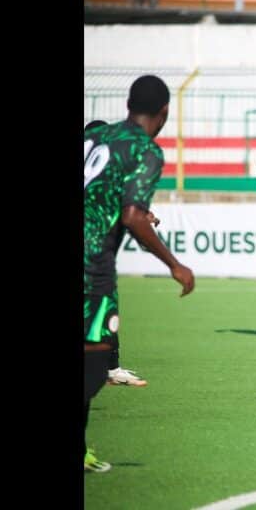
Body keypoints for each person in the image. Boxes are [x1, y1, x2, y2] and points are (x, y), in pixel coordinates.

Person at [84, 75, 195, 472]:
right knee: (97, 363)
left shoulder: (98, 135)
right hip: (90, 262)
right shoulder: (146, 149)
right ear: (164, 112)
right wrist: (174, 264)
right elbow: (132, 215)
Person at [84, 119, 157, 387]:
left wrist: (145, 214)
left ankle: (112, 368)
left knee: (104, 312)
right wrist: (173, 265)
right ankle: (107, 370)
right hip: (92, 261)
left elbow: (123, 204)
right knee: (102, 311)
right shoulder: (130, 157)